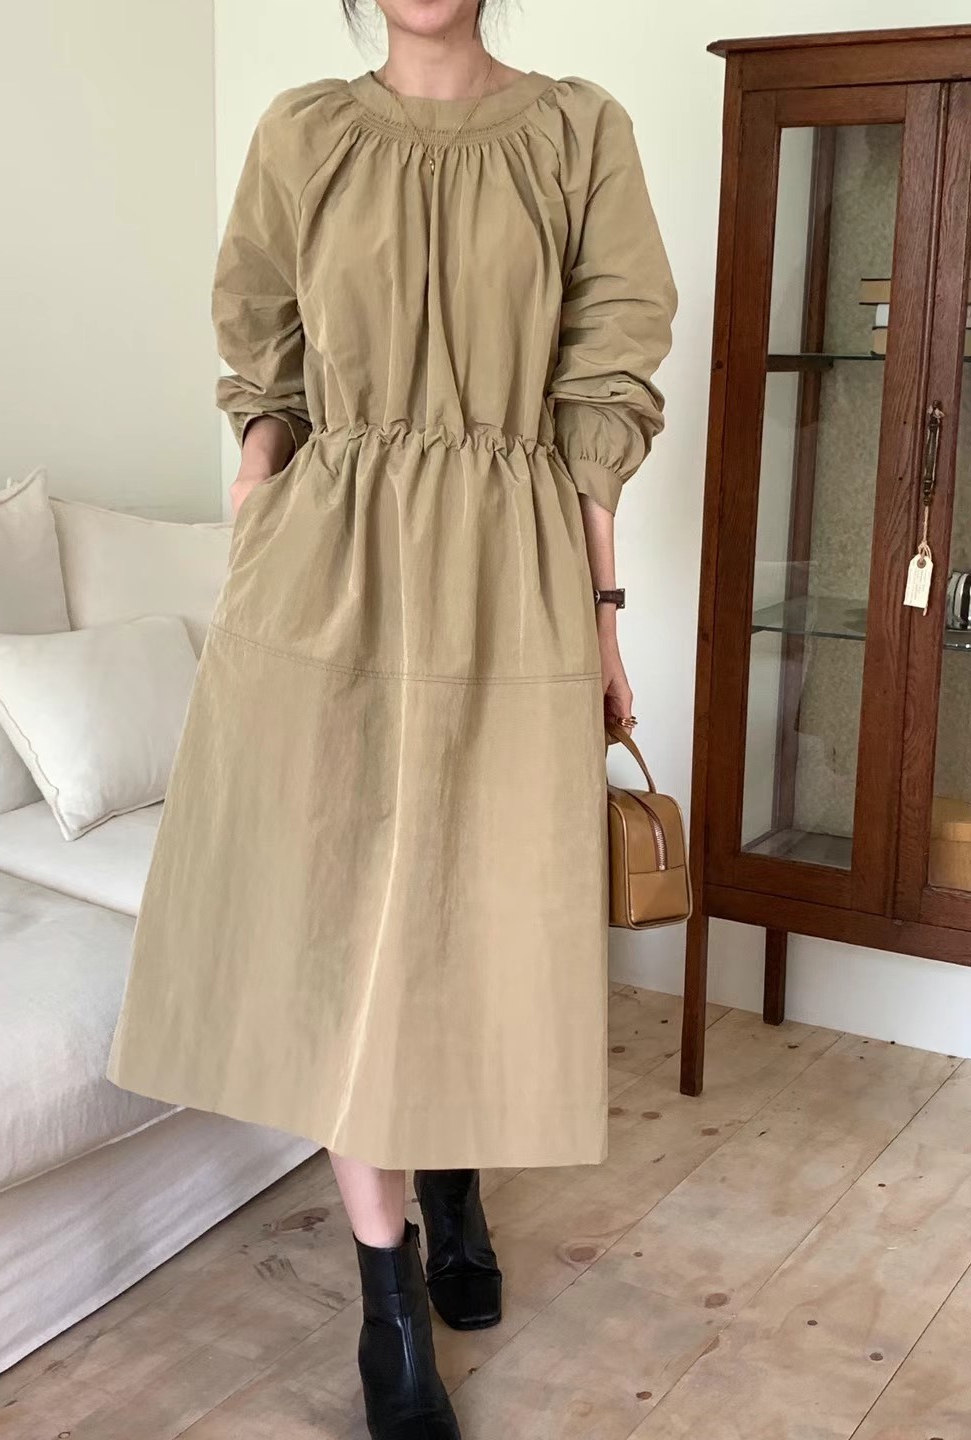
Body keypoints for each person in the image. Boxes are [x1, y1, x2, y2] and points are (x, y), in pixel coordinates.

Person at [106, 1, 676, 1434]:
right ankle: (389, 1297)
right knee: (345, 920)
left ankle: (455, 1179)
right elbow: (266, 363)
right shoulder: (304, 131)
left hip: (509, 573)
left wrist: (605, 616)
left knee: (477, 905)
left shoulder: (578, 132)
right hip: (332, 572)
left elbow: (604, 385)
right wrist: (256, 495)